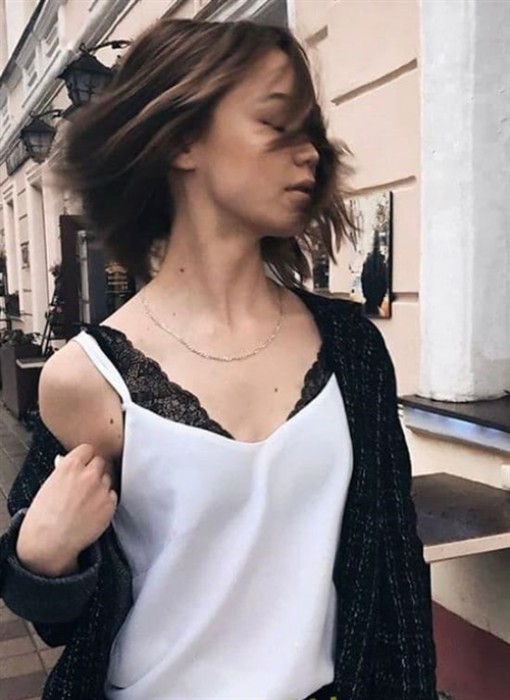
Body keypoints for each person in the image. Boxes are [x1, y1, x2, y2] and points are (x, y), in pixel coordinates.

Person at [0, 17, 438, 700]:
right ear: (182, 140)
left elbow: (397, 566)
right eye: (276, 124)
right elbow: (56, 614)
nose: (309, 153)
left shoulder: (352, 349)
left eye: (310, 132)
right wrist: (43, 556)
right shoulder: (90, 376)